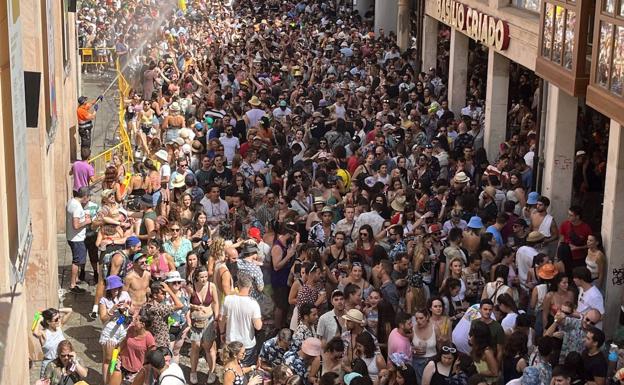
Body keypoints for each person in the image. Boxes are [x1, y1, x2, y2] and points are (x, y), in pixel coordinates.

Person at [220, 274, 263, 366]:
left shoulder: (228, 299)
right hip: (246, 343)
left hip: (230, 341)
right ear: (250, 287)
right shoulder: (253, 304)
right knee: (245, 370)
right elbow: (258, 326)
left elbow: (221, 319)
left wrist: (222, 333)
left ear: (238, 285)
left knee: (230, 367)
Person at [187, 266, 219, 384]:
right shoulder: (191, 287)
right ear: (196, 276)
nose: (204, 279)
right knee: (195, 345)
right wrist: (195, 306)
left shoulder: (212, 286)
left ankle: (211, 371)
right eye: (201, 277)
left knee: (208, 347)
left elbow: (215, 302)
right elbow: (186, 303)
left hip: (208, 320)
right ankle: (193, 372)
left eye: (206, 276)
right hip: (195, 321)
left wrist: (216, 318)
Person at [65, 186, 92, 293]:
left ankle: (75, 279)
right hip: (77, 239)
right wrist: (87, 221)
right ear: (85, 197)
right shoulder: (77, 207)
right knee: (77, 261)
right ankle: (73, 285)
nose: (89, 199)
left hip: (71, 237)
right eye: (89, 197)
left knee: (77, 260)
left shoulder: (71, 201)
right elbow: (76, 225)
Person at [33, 308, 73, 378]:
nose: (59, 320)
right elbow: (35, 332)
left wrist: (56, 311)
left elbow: (69, 310)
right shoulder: (44, 333)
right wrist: (38, 319)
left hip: (62, 362)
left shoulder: (59, 328)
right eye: (56, 319)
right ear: (48, 322)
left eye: (59, 317)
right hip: (49, 365)